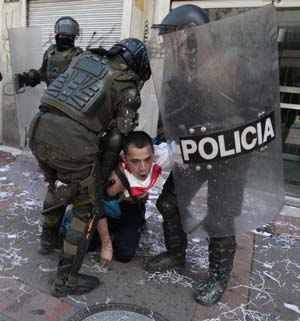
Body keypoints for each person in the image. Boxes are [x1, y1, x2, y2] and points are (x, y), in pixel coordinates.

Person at [28, 38, 151, 297]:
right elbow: (117, 138)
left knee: (60, 184)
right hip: (73, 142)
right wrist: (102, 175)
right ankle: (66, 280)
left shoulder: (84, 58)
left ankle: (47, 239)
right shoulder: (128, 87)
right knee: (88, 209)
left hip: (38, 129)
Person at [145, 5, 239, 306]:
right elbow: (172, 111)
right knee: (168, 202)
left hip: (228, 156)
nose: (169, 43)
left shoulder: (231, 64)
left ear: (192, 35)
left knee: (220, 219)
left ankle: (217, 277)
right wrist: (168, 142)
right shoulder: (179, 69)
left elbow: (253, 110)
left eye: (174, 36)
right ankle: (176, 253)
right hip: (192, 153)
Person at [87, 131, 171, 263]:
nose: (143, 168)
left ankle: (134, 223)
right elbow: (96, 206)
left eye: (147, 159)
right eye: (135, 161)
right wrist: (106, 244)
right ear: (124, 159)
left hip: (132, 207)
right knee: (87, 245)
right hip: (103, 209)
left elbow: (182, 150)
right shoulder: (115, 179)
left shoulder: (161, 158)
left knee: (124, 255)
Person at [15, 16, 82, 90]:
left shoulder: (78, 54)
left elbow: (84, 79)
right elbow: (43, 72)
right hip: (50, 95)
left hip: (69, 96)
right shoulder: (51, 51)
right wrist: (29, 77)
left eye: (68, 36)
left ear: (73, 37)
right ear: (57, 35)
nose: (64, 38)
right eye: (62, 35)